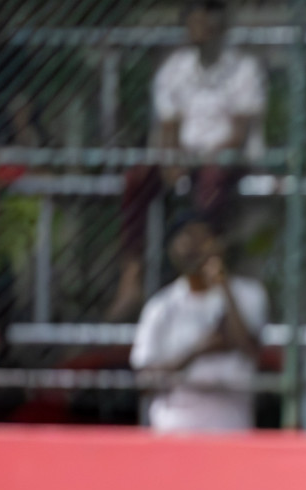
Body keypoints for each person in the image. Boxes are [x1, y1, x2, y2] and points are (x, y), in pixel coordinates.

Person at [107, 0, 266, 322]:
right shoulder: (175, 68)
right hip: (187, 154)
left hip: (226, 157)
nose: (200, 31)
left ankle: (206, 266)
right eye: (193, 23)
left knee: (212, 179)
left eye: (206, 23)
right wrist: (171, 160)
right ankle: (132, 274)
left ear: (219, 26)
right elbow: (169, 127)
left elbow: (238, 132)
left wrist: (202, 157)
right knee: (138, 178)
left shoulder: (242, 68)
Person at [129, 217, 266, 433]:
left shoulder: (248, 294)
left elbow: (251, 351)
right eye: (188, 239)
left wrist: (224, 288)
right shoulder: (162, 306)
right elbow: (144, 381)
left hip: (231, 423)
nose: (197, 246)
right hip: (174, 425)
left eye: (204, 238)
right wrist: (197, 351)